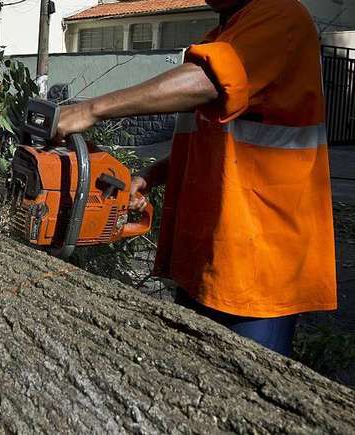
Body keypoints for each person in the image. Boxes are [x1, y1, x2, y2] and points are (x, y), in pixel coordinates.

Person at [55, 0, 335, 356]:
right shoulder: (223, 35)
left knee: (243, 392)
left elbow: (209, 82)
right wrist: (150, 175)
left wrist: (90, 109)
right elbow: (210, 141)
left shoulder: (280, 15)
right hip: (211, 255)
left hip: (258, 263)